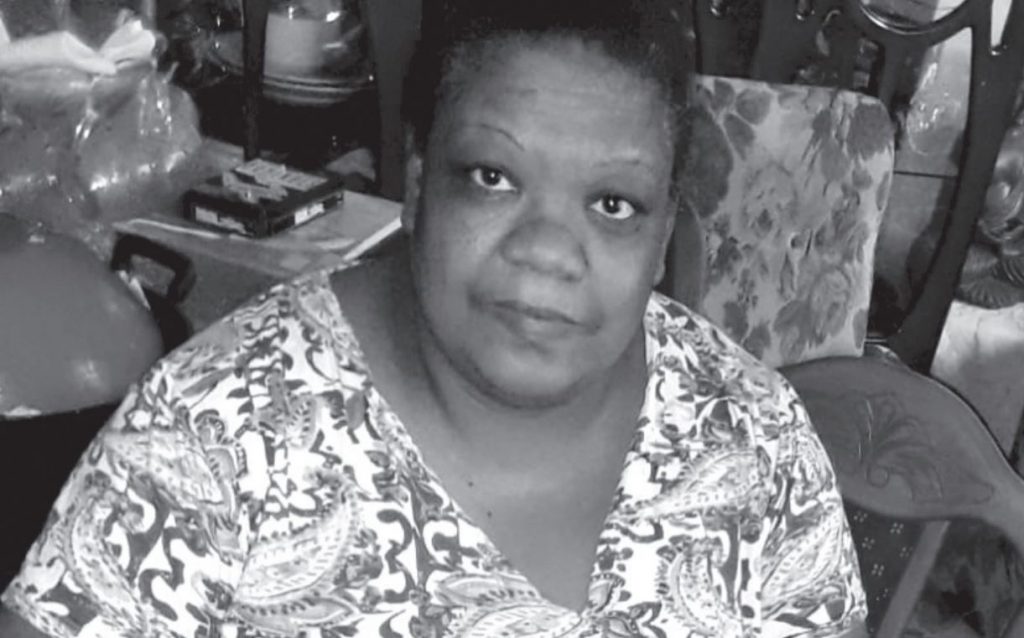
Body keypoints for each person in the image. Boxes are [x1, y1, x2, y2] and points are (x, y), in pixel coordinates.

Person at [0, 1, 867, 635]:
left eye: (613, 203)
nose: (547, 251)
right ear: (418, 182)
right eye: (494, 177)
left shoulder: (750, 440)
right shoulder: (212, 436)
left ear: (663, 232)